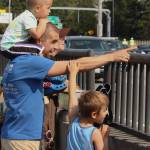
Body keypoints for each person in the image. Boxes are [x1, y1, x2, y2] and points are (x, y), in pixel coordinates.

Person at [1, 22, 136, 150]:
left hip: (13, 134)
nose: (59, 47)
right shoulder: (30, 62)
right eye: (53, 41)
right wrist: (112, 57)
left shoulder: (17, 61)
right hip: (23, 139)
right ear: (38, 41)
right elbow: (76, 65)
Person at [67, 61, 109, 150]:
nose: (107, 113)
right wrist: (104, 137)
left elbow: (72, 94)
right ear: (94, 114)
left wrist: (73, 73)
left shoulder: (73, 121)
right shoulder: (95, 133)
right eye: (105, 110)